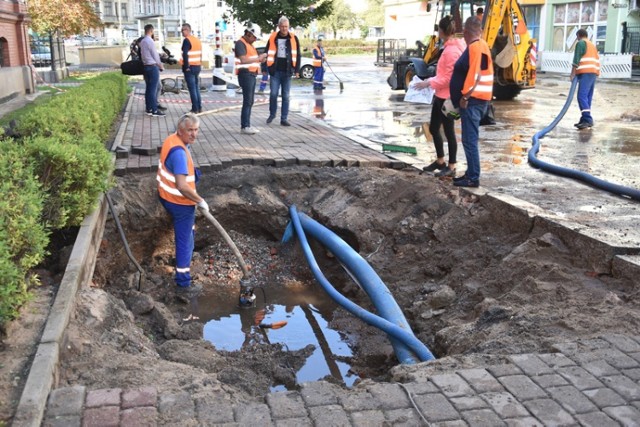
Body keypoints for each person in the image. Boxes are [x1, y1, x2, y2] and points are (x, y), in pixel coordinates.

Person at [157, 113, 208, 294]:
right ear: (180, 130)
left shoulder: (172, 139)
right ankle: (183, 282)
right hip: (179, 202)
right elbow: (181, 185)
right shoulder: (179, 153)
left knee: (189, 232)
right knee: (184, 241)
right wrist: (199, 201)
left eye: (196, 130)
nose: (193, 134)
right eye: (189, 130)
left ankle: (189, 237)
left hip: (165, 194)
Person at [413, 16, 466, 178]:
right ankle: (440, 161)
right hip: (440, 95)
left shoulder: (451, 51)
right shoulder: (451, 46)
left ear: (441, 31)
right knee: (434, 128)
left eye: (438, 30)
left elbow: (448, 78)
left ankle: (451, 166)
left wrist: (428, 82)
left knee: (449, 132)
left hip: (447, 98)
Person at [449, 16, 493, 188]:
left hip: (472, 102)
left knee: (469, 140)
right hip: (478, 100)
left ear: (466, 32)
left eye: (463, 34)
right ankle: (471, 173)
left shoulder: (475, 47)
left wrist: (465, 96)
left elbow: (476, 75)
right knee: (470, 139)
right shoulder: (482, 45)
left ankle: (473, 177)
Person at [265, 16, 301, 127]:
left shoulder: (293, 38)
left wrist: (297, 70)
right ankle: (272, 114)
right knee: (273, 94)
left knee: (285, 95)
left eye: (286, 26)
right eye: (282, 26)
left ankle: (284, 118)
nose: (285, 29)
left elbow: (298, 54)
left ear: (289, 26)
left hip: (287, 71)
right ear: (279, 26)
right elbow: (266, 52)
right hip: (275, 70)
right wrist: (264, 68)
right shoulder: (272, 37)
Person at [235, 26, 268, 135]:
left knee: (250, 101)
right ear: (249, 34)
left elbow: (251, 59)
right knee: (248, 101)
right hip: (245, 74)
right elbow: (243, 59)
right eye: (254, 37)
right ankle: (245, 126)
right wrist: (258, 58)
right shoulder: (241, 43)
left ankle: (246, 125)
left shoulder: (249, 45)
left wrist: (260, 60)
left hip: (251, 74)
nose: (255, 40)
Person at [570, 28, 600, 129]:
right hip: (593, 73)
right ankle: (584, 119)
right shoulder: (591, 44)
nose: (577, 39)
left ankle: (587, 119)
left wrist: (572, 74)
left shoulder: (581, 43)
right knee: (587, 97)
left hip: (585, 72)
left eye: (577, 37)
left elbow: (576, 59)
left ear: (578, 35)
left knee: (581, 96)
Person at [130, 36, 166, 111]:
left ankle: (152, 105)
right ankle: (153, 106)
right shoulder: (142, 49)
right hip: (150, 70)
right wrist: (159, 63)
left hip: (148, 70)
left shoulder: (142, 48)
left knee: (154, 88)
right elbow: (152, 56)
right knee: (154, 88)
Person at [139, 24, 165, 117]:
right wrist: (160, 65)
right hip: (152, 66)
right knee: (153, 89)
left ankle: (148, 108)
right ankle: (154, 110)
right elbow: (155, 55)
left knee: (149, 89)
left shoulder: (142, 41)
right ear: (151, 31)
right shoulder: (150, 41)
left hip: (145, 66)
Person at [180, 23, 203, 114]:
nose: (182, 32)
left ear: (188, 30)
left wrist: (186, 67)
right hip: (197, 66)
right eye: (181, 30)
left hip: (190, 67)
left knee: (192, 88)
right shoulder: (197, 40)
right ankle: (199, 107)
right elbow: (200, 53)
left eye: (183, 30)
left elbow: (185, 54)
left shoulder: (187, 40)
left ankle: (195, 108)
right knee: (196, 88)